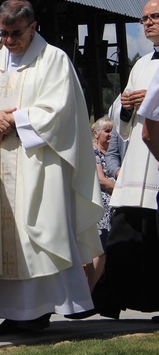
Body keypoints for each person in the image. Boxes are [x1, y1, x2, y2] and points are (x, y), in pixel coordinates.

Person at [0, 0, 102, 334]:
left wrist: (16, 120)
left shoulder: (54, 60)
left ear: (33, 27)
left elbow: (61, 110)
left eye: (16, 34)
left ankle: (40, 310)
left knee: (37, 235)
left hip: (38, 163)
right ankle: (11, 312)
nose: (9, 41)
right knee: (3, 237)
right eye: (4, 34)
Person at [92, 0, 159, 319]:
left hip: (157, 161)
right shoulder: (143, 64)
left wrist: (153, 102)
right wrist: (127, 106)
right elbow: (120, 119)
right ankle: (111, 297)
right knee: (126, 232)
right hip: (137, 164)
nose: (148, 23)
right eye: (144, 18)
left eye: (155, 16)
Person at [90, 116, 115, 290]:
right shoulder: (94, 152)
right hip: (102, 208)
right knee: (100, 251)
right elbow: (101, 180)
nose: (111, 135)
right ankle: (88, 290)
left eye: (113, 131)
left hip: (114, 207)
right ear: (96, 133)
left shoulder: (113, 154)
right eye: (107, 131)